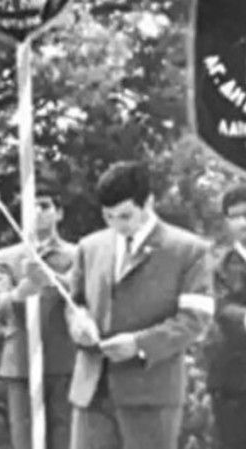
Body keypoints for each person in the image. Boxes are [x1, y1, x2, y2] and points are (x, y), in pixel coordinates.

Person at [65, 161, 213, 449]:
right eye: (108, 216)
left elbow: (195, 320)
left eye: (125, 216)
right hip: (91, 393)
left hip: (151, 396)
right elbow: (75, 302)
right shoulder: (88, 247)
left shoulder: (189, 251)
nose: (116, 225)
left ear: (149, 202)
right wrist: (78, 323)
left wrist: (139, 344)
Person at [0, 183, 76, 449]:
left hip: (63, 361)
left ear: (59, 213)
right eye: (32, 206)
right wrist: (23, 291)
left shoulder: (77, 255)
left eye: (45, 206)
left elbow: (84, 295)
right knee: (24, 440)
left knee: (64, 439)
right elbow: (0, 307)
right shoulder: (7, 258)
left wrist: (52, 280)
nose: (38, 212)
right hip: (21, 363)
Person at [208, 184, 246, 448]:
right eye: (235, 216)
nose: (243, 222)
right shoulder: (218, 266)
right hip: (234, 382)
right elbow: (222, 307)